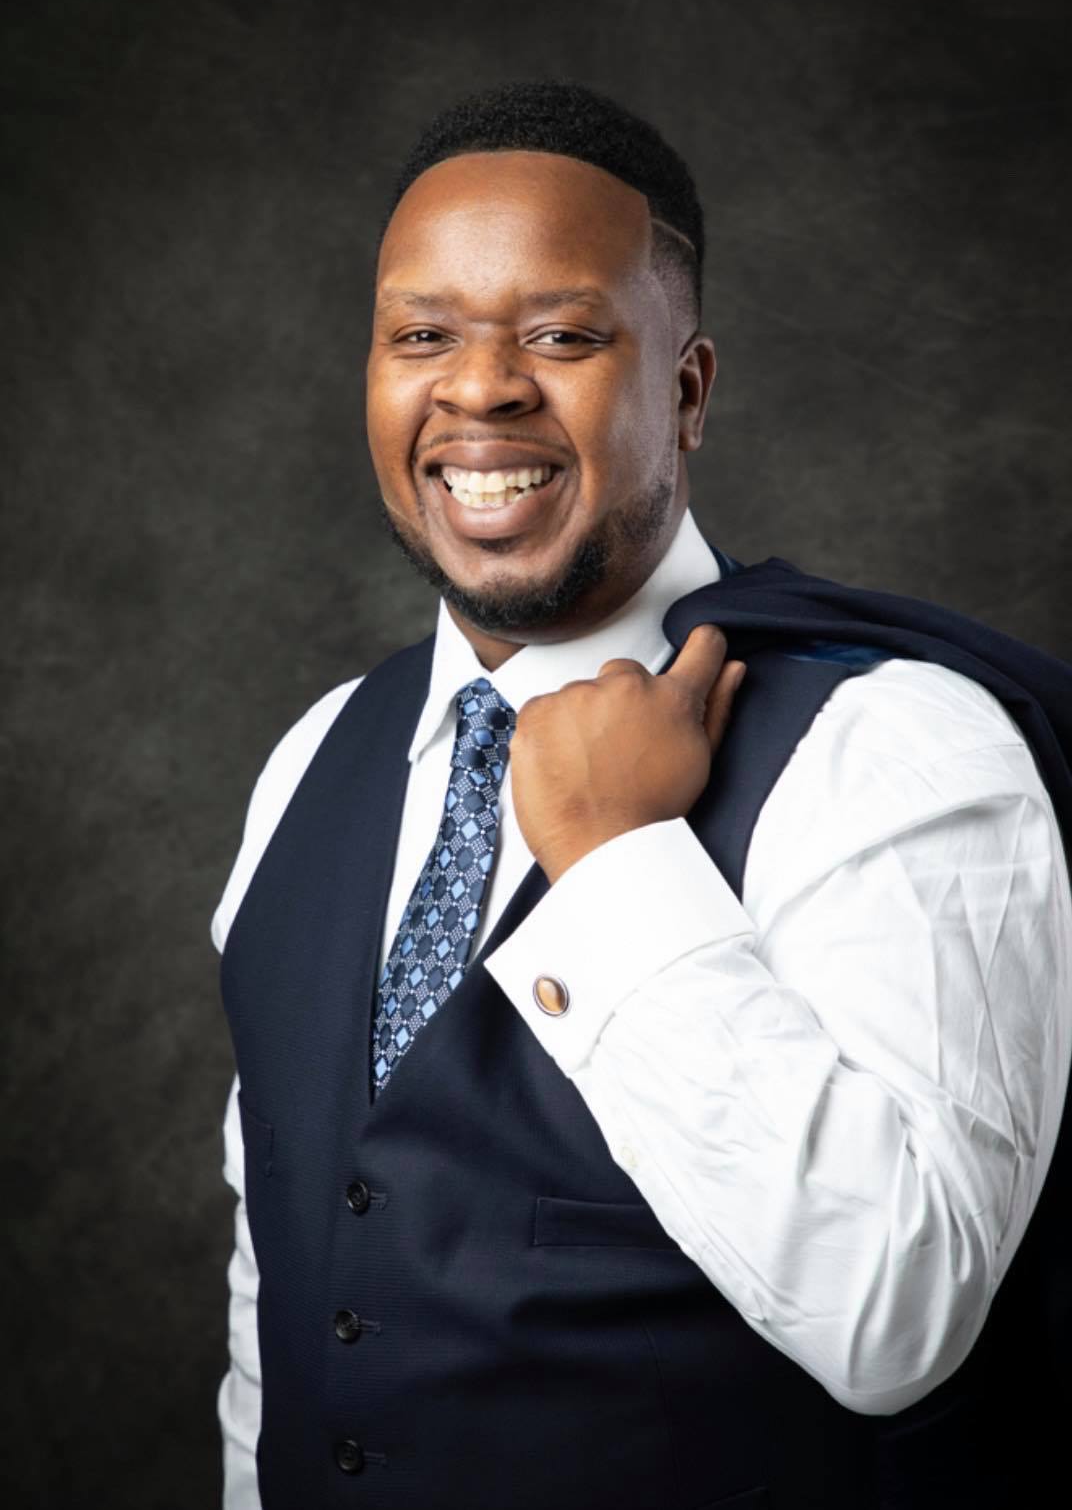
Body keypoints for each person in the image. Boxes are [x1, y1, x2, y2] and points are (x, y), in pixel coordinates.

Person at [214, 81, 1072, 1509]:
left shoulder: (897, 751)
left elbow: (902, 1318)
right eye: (422, 336)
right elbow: (286, 1283)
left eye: (561, 336)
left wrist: (615, 865)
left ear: (686, 390)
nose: (479, 389)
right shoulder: (312, 760)